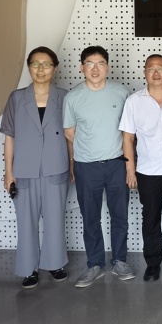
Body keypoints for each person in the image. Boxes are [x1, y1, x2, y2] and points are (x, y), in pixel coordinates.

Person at [0, 46, 70, 289]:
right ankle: (29, 269)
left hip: (56, 167)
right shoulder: (16, 98)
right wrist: (9, 172)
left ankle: (55, 264)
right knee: (26, 221)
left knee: (55, 219)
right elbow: (9, 136)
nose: (41, 69)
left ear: (55, 68)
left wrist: (72, 164)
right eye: (35, 64)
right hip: (24, 169)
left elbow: (71, 136)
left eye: (46, 64)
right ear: (29, 67)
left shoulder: (64, 97)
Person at [63, 45, 133, 288]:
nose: (95, 69)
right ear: (81, 67)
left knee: (119, 216)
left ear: (108, 67)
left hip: (117, 165)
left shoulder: (121, 93)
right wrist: (77, 160)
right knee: (90, 217)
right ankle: (95, 264)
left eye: (100, 63)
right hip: (87, 166)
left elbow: (128, 132)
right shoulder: (73, 98)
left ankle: (120, 261)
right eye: (89, 64)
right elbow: (70, 133)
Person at [119, 54, 162, 282]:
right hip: (148, 170)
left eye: (160, 68)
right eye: (151, 69)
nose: (156, 73)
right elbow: (128, 138)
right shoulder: (134, 101)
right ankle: (152, 263)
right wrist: (130, 170)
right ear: (145, 73)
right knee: (150, 218)